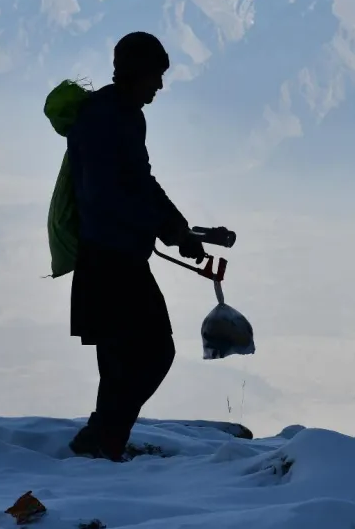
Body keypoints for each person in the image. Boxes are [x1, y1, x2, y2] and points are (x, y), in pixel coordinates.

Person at [65, 31, 206, 461]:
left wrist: (177, 226)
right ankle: (103, 437)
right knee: (153, 351)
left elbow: (140, 181)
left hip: (113, 256)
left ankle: (104, 441)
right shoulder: (108, 117)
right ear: (135, 73)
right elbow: (110, 194)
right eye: (155, 77)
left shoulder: (121, 114)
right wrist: (167, 228)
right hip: (111, 260)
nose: (159, 87)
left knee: (120, 358)